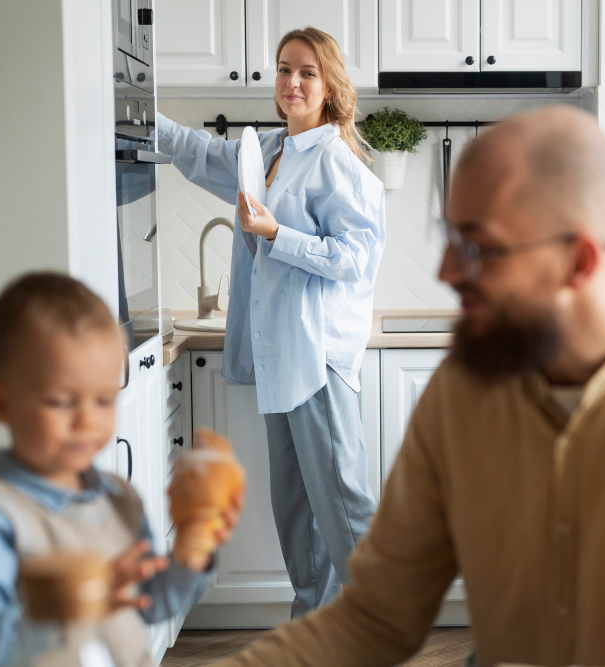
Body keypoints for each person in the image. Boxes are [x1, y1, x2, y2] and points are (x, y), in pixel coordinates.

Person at [206, 106, 605, 667]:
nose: (447, 274)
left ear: (577, 262)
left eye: (476, 248)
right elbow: (374, 614)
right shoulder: (464, 395)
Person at [154, 27, 384, 617]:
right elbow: (203, 154)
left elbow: (356, 259)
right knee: (298, 509)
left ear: (329, 83)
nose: (292, 82)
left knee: (343, 504)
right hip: (283, 359)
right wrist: (133, 111)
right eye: (284, 70)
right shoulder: (271, 153)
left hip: (317, 358)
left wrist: (277, 235)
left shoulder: (339, 164)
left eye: (307, 72)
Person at [0, 273, 241, 667]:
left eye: (103, 400)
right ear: (0, 402)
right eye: (61, 402)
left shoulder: (117, 499)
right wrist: (83, 600)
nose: (86, 421)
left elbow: (146, 604)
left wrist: (192, 549)